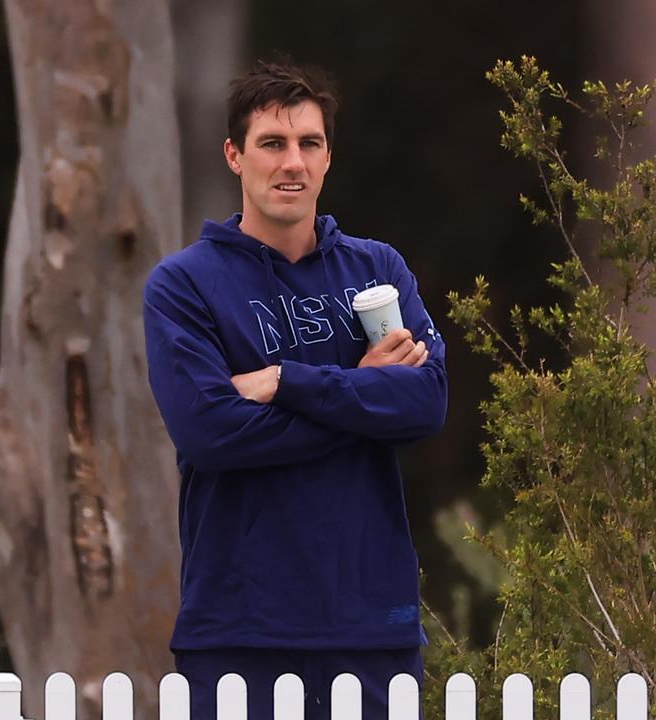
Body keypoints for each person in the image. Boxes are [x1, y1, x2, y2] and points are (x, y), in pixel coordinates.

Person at [142, 59, 448, 719]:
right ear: (234, 155)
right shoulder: (184, 285)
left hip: (371, 628)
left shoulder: (378, 270)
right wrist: (364, 396)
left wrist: (287, 381)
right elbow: (212, 434)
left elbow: (424, 403)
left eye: (309, 144)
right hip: (239, 629)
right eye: (272, 144)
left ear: (329, 158)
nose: (293, 163)